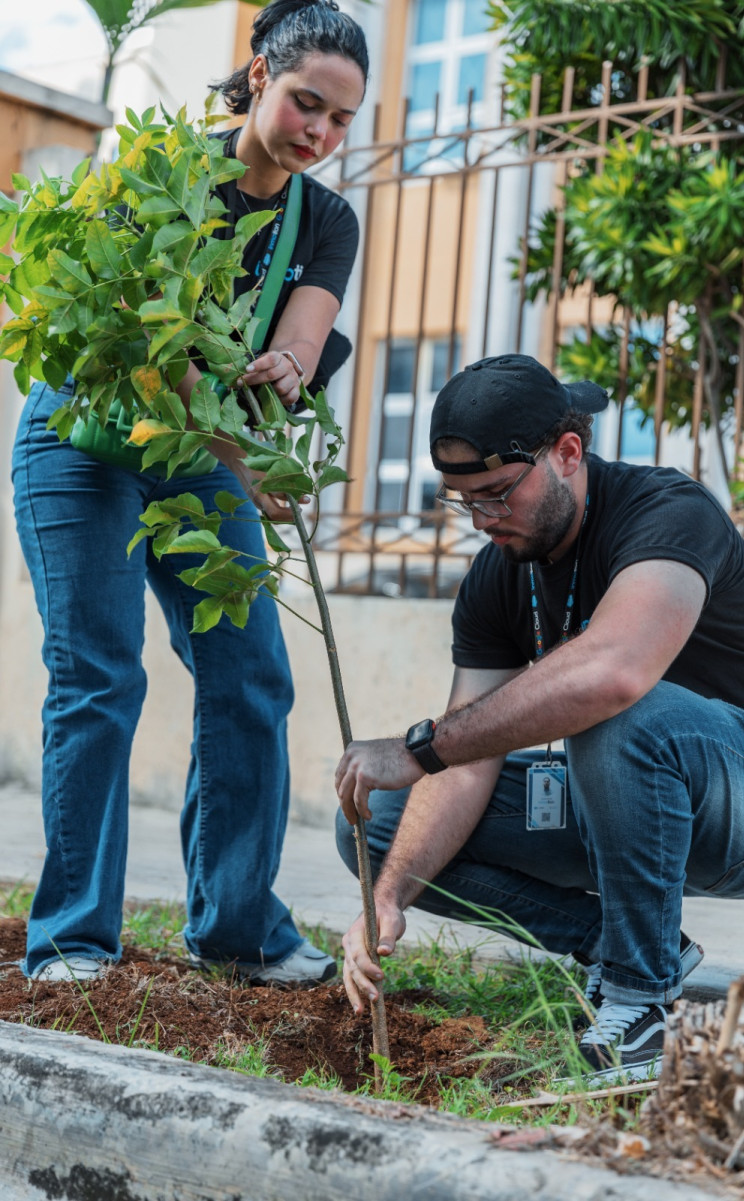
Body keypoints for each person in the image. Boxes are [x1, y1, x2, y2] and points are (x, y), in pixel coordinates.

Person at [12, 0, 369, 984]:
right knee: (99, 675)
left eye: (341, 120)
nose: (319, 134)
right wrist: (249, 467)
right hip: (87, 444)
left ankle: (237, 927)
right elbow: (162, 359)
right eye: (305, 103)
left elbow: (304, 329)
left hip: (199, 453)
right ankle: (74, 936)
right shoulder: (159, 178)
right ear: (258, 76)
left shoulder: (324, 217)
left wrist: (291, 372)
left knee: (252, 674)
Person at [334, 353, 744, 1084]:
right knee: (381, 825)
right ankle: (619, 941)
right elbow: (469, 761)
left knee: (617, 711)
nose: (483, 520)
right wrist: (386, 897)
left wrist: (421, 746)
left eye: (496, 493)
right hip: (618, 799)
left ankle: (641, 1001)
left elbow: (614, 671)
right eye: (464, 501)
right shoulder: (499, 574)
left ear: (568, 453)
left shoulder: (667, 512)